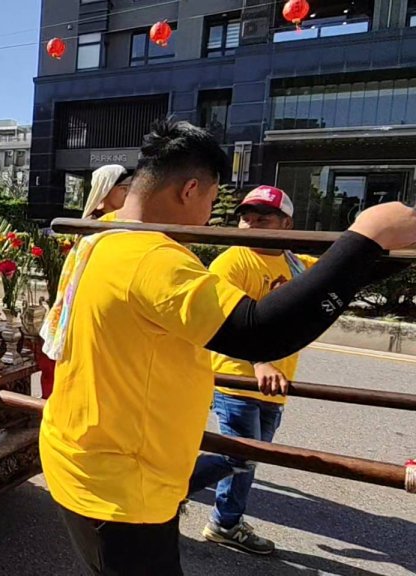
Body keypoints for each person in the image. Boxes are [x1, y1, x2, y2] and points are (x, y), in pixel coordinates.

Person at [38, 119, 416, 575]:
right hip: (119, 489)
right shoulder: (150, 257)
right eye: (213, 202)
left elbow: (308, 286)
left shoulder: (105, 233)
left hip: (88, 458)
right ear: (190, 189)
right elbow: (257, 332)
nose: (209, 217)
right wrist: (365, 235)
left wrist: (368, 256)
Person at [186, 185, 317, 554]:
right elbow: (225, 323)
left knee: (249, 458)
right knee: (240, 455)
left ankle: (225, 520)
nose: (249, 225)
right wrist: (259, 361)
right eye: (245, 217)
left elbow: (332, 278)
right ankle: (180, 492)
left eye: (262, 218)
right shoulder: (233, 262)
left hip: (274, 383)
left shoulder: (295, 263)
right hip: (237, 377)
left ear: (286, 223)